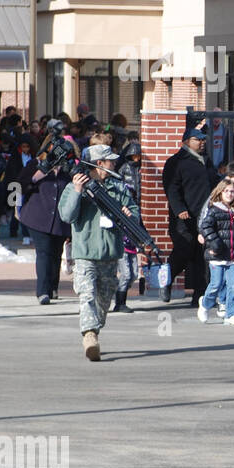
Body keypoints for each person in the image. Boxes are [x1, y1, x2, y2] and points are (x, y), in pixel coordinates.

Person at [57, 145, 140, 361]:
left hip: (110, 253)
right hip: (85, 252)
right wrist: (77, 192)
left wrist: (129, 214)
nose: (115, 163)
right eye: (110, 160)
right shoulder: (76, 186)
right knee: (87, 295)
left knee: (104, 300)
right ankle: (89, 335)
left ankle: (94, 328)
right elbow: (67, 215)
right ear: (99, 164)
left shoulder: (118, 187)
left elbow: (134, 212)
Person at [161, 128, 217, 306]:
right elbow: (171, 188)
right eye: (197, 139)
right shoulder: (175, 162)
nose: (202, 142)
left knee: (202, 256)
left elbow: (214, 183)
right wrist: (179, 209)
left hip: (204, 216)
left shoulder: (206, 161)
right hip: (184, 219)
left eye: (203, 140)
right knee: (183, 251)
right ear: (186, 141)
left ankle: (199, 296)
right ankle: (166, 281)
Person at [18, 134, 73, 304]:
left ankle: (52, 287)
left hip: (60, 219)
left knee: (56, 253)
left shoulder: (67, 168)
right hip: (38, 216)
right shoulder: (35, 164)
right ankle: (42, 292)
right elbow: (19, 185)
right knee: (43, 252)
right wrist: (37, 176)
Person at [198, 179, 234, 325]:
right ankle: (205, 304)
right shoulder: (214, 209)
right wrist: (215, 244)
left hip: (233, 255)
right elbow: (206, 227)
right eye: (226, 191)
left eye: (232, 191)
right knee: (216, 284)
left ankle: (231, 313)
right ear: (220, 192)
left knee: (232, 286)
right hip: (217, 254)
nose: (229, 194)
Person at [111, 141, 144, 314]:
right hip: (123, 243)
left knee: (133, 275)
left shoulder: (141, 169)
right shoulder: (124, 170)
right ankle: (119, 301)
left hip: (131, 242)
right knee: (125, 273)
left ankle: (120, 298)